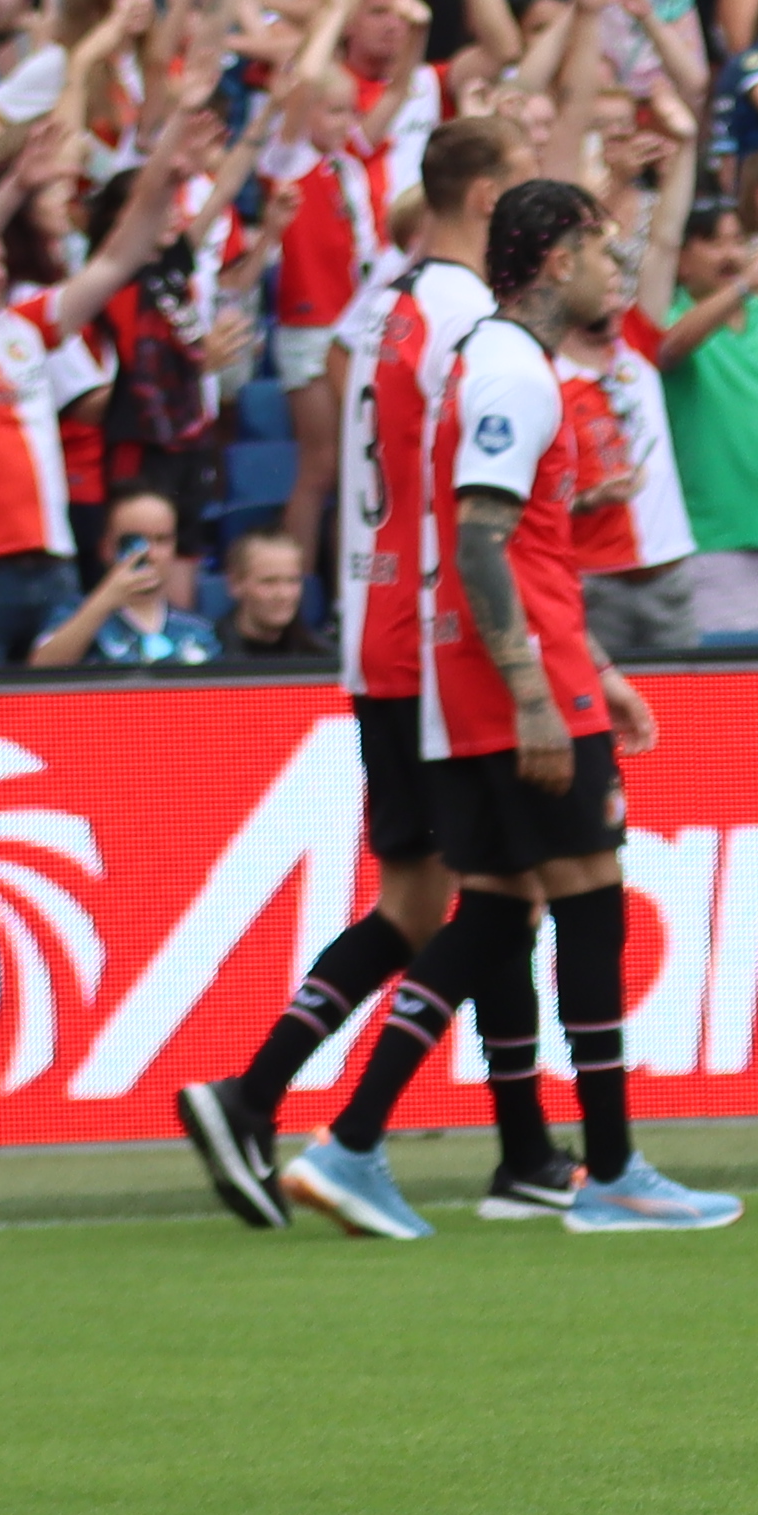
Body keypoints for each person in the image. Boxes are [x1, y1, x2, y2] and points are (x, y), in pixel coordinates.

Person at [180, 116, 512, 1241]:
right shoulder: (464, 312)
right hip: (431, 638)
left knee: (423, 901)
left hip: (381, 628)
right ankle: (342, 1131)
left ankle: (256, 1095)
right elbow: (471, 473)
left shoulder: (386, 302)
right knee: (506, 890)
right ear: (484, 193)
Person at [435, 176, 741, 1235]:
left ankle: (379, 1139)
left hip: (546, 661)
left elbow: (516, 544)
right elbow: (479, 537)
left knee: (497, 908)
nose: (618, 272)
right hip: (527, 679)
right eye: (606, 252)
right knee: (586, 902)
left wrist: (591, 665)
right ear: (559, 258)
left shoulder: (500, 359)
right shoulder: (518, 372)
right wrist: (533, 689)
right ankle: (608, 1165)